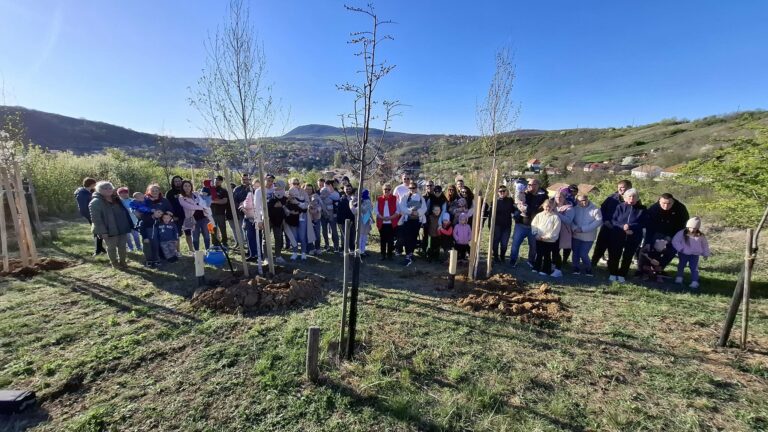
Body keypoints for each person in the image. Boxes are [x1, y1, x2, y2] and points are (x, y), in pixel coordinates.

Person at [88, 181, 134, 269]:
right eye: (105, 188)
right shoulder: (95, 202)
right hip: (108, 230)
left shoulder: (116, 199)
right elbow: (96, 220)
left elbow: (125, 213)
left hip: (121, 228)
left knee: (123, 246)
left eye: (110, 188)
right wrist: (103, 232)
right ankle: (114, 263)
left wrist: (129, 225)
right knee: (111, 248)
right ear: (99, 190)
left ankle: (123, 262)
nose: (108, 190)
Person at [607, 188, 646, 283]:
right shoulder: (620, 207)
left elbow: (644, 223)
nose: (632, 199)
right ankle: (613, 272)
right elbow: (614, 220)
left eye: (634, 196)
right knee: (615, 254)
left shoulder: (642, 209)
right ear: (625, 198)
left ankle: (622, 274)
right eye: (629, 196)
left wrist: (631, 227)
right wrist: (622, 226)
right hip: (618, 234)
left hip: (634, 235)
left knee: (628, 256)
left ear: (637, 198)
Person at [591, 179, 632, 267]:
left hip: (620, 230)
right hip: (607, 226)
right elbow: (602, 209)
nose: (620, 190)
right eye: (619, 188)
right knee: (600, 246)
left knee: (615, 250)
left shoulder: (632, 200)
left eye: (623, 188)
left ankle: (612, 267)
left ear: (629, 188)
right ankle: (593, 263)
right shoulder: (612, 197)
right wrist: (605, 220)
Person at [643, 193, 690, 270]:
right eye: (663, 203)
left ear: (673, 202)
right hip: (657, 232)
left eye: (669, 203)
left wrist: (670, 237)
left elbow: (683, 226)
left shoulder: (681, 208)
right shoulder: (654, 209)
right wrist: (647, 242)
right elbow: (649, 227)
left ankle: (660, 267)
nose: (666, 206)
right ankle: (646, 269)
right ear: (659, 201)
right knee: (650, 247)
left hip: (674, 233)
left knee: (673, 248)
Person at [509, 178, 548, 268]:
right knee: (515, 244)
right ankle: (513, 260)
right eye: (528, 185)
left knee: (533, 246)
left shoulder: (544, 197)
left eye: (531, 185)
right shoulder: (524, 193)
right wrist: (518, 207)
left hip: (535, 226)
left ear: (537, 185)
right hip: (521, 224)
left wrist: (527, 209)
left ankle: (531, 261)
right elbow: (517, 203)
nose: (529, 186)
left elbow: (540, 210)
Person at [135, 184, 173, 267]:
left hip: (162, 224)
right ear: (148, 191)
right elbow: (140, 213)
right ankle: (150, 259)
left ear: (159, 191)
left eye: (156, 190)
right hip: (148, 224)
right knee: (150, 242)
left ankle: (160, 257)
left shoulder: (164, 200)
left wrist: (165, 214)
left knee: (160, 241)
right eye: (152, 190)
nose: (155, 192)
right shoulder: (144, 200)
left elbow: (170, 210)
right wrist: (153, 216)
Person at [672, 217, 710, 291]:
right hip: (684, 253)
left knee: (694, 268)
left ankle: (695, 281)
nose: (693, 230)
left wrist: (705, 254)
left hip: (695, 255)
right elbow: (675, 241)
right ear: (687, 226)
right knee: (681, 265)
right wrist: (681, 249)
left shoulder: (700, 236)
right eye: (691, 228)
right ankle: (679, 278)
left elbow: (705, 245)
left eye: (695, 228)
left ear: (698, 228)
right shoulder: (682, 233)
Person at [570, 194, 602, 276]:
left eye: (584, 200)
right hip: (576, 235)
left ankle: (588, 268)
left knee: (583, 254)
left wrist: (583, 229)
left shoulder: (595, 209)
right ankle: (575, 267)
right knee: (575, 253)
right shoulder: (574, 209)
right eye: (579, 201)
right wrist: (574, 228)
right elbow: (571, 220)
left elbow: (598, 221)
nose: (582, 202)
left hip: (588, 237)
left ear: (587, 200)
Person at [398, 181, 427, 266]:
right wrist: (410, 212)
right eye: (410, 188)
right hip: (407, 220)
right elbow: (401, 206)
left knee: (413, 238)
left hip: (417, 220)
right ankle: (407, 255)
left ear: (416, 188)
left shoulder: (421, 197)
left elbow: (424, 208)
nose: (412, 189)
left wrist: (417, 212)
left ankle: (410, 254)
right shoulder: (405, 196)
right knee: (407, 238)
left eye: (413, 188)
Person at [75, 177, 106, 256]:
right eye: (95, 184)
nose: (95, 185)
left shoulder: (90, 191)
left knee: (99, 230)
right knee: (97, 231)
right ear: (91, 184)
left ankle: (100, 247)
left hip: (96, 214)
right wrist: (91, 217)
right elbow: (83, 208)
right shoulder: (82, 194)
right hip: (91, 215)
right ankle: (97, 250)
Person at [531, 199, 562, 277]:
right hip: (539, 238)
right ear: (543, 206)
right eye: (546, 206)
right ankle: (536, 267)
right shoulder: (539, 215)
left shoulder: (555, 217)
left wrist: (547, 237)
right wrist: (536, 234)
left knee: (547, 255)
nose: (547, 208)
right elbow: (534, 225)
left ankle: (546, 270)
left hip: (549, 241)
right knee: (539, 253)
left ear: (552, 207)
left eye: (550, 207)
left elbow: (555, 230)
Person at [178, 180, 212, 252]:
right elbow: (189, 207)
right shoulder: (181, 198)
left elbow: (204, 202)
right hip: (191, 219)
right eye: (185, 186)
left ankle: (208, 250)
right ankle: (196, 252)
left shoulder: (196, 194)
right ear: (182, 187)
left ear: (191, 187)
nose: (187, 188)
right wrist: (201, 207)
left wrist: (204, 206)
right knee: (195, 236)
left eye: (189, 186)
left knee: (206, 234)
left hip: (203, 217)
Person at [284, 179, 314, 260]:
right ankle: (295, 252)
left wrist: (297, 203)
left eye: (298, 183)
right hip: (292, 218)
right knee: (294, 236)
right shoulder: (287, 193)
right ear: (290, 184)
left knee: (302, 236)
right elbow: (284, 206)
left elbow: (307, 204)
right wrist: (290, 212)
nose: (296, 185)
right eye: (294, 183)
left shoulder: (303, 192)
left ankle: (303, 253)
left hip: (302, 218)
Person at [486, 185, 515, 262]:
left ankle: (502, 256)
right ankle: (495, 256)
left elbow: (514, 210)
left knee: (504, 243)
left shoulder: (510, 200)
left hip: (507, 226)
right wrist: (490, 225)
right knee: (495, 242)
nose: (502, 192)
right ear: (498, 193)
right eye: (500, 191)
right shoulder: (495, 201)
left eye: (504, 191)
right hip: (497, 225)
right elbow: (490, 215)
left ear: (506, 192)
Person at [375, 183, 400, 260]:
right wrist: (382, 217)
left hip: (391, 223)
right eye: (385, 189)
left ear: (391, 190)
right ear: (382, 190)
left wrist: (390, 217)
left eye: (389, 189)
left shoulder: (395, 198)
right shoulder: (379, 199)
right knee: (383, 240)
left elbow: (398, 210)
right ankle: (382, 254)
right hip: (382, 223)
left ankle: (390, 255)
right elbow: (376, 211)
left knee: (390, 240)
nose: (387, 191)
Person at [553, 189, 575, 272]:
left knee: (557, 249)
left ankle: (558, 267)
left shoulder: (569, 208)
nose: (558, 198)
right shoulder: (553, 206)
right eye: (557, 197)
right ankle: (554, 264)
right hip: (553, 231)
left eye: (560, 197)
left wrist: (557, 214)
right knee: (553, 249)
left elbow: (568, 220)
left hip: (563, 232)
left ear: (564, 198)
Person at [165, 175, 186, 257]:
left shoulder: (186, 189)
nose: (178, 182)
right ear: (173, 183)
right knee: (177, 235)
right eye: (175, 181)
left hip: (187, 215)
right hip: (176, 217)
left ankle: (192, 250)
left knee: (189, 233)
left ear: (182, 181)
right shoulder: (169, 193)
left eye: (179, 181)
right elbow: (168, 206)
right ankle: (177, 251)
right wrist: (172, 216)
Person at [267, 181, 288, 264]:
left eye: (277, 185)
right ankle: (267, 257)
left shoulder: (284, 197)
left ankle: (278, 256)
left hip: (278, 220)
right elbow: (269, 205)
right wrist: (275, 205)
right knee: (266, 239)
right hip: (268, 219)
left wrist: (278, 205)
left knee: (278, 238)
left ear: (282, 187)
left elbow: (281, 205)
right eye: (274, 185)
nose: (275, 186)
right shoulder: (270, 194)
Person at [207, 175, 230, 247]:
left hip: (220, 213)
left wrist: (213, 201)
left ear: (221, 182)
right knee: (213, 229)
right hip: (211, 213)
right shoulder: (209, 189)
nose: (217, 181)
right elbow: (205, 199)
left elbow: (224, 201)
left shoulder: (223, 190)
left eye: (219, 180)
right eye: (216, 180)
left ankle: (224, 242)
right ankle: (215, 243)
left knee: (222, 228)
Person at [116, 187, 141, 252]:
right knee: (127, 237)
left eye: (126, 192)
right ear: (119, 194)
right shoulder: (118, 202)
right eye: (122, 193)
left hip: (134, 221)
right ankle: (131, 248)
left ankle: (139, 247)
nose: (124, 194)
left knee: (136, 235)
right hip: (124, 222)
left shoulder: (133, 200)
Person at [232, 173, 253, 251]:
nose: (245, 181)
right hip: (240, 212)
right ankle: (243, 244)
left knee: (250, 229)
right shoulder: (237, 189)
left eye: (246, 179)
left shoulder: (253, 188)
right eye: (243, 179)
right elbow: (234, 200)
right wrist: (240, 206)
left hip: (251, 213)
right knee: (242, 229)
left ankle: (251, 245)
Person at [350, 189, 374, 256]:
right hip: (358, 221)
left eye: (360, 193)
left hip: (366, 220)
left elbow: (370, 210)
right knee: (359, 237)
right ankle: (358, 252)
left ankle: (363, 251)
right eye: (356, 193)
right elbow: (354, 211)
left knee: (364, 237)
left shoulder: (367, 200)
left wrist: (369, 207)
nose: (358, 195)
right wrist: (359, 204)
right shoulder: (352, 201)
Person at [320, 179, 341, 252]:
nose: (325, 187)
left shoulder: (336, 194)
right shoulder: (322, 191)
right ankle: (327, 245)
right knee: (324, 231)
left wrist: (328, 195)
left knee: (334, 231)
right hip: (323, 215)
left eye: (327, 185)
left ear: (331, 185)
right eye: (325, 185)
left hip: (332, 215)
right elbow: (320, 199)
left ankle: (336, 246)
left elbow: (336, 201)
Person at [337, 184, 356, 253]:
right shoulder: (341, 199)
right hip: (343, 221)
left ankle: (352, 249)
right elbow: (339, 211)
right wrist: (339, 222)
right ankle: (343, 249)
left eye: (349, 189)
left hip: (353, 220)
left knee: (352, 235)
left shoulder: (354, 198)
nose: (348, 190)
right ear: (344, 190)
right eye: (346, 189)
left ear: (351, 189)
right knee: (343, 236)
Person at [306, 183, 323, 255]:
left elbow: (320, 205)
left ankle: (318, 248)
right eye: (307, 189)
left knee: (317, 234)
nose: (308, 190)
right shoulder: (303, 196)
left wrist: (317, 210)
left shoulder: (315, 196)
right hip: (307, 218)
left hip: (316, 218)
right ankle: (311, 248)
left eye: (310, 189)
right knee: (309, 234)